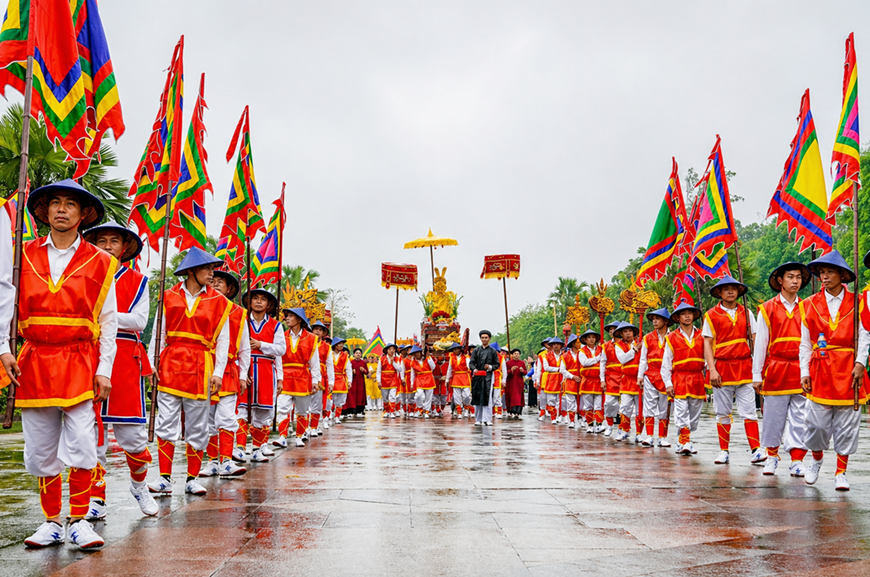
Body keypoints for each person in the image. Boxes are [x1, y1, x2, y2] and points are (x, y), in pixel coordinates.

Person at [0, 180, 116, 549]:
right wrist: (3, 348)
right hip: (34, 358)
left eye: (70, 204)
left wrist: (105, 369)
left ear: (84, 214)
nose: (62, 209)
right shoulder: (20, 255)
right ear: (45, 211)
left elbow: (109, 322)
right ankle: (51, 522)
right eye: (55, 203)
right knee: (40, 446)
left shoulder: (102, 262)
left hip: (80, 360)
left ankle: (79, 520)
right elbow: (4, 303)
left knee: (82, 441)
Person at [82, 221, 158, 521]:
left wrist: (105, 316)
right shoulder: (83, 273)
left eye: (114, 241)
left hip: (125, 357)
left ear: (124, 247)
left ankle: (139, 486)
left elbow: (139, 321)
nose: (107, 246)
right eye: (101, 240)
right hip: (89, 353)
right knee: (92, 434)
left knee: (133, 437)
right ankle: (96, 498)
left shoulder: (139, 281)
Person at [148, 247, 231, 498]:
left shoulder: (220, 302)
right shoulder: (168, 296)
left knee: (198, 424)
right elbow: (158, 333)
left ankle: (192, 479)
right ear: (191, 271)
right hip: (170, 363)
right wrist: (151, 364)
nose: (212, 273)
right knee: (166, 422)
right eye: (207, 268)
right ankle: (164, 478)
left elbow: (223, 340)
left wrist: (218, 372)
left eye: (212, 268)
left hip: (201, 365)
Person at [800, 251, 870, 490]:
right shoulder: (808, 304)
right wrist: (804, 371)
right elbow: (804, 343)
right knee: (816, 423)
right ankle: (816, 458)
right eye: (822, 272)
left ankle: (841, 471)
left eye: (830, 272)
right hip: (820, 367)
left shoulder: (858, 301)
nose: (825, 276)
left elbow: (864, 334)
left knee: (847, 423)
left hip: (849, 366)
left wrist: (860, 363)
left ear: (842, 275)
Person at [752, 262, 811, 477]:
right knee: (773, 416)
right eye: (790, 277)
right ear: (780, 280)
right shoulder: (767, 308)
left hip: (800, 368)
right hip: (776, 366)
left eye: (798, 277)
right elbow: (761, 344)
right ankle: (772, 456)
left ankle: (797, 460)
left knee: (801, 417)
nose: (795, 281)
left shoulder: (808, 306)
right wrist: (756, 374)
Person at [703, 275, 762, 466]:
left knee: (750, 411)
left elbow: (754, 339)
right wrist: (712, 369)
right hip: (722, 367)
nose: (730, 292)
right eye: (726, 289)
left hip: (745, 366)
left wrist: (758, 368)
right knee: (722, 412)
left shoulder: (747, 312)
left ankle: (756, 450)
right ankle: (724, 451)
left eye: (734, 288)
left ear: (738, 291)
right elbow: (707, 343)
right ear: (719, 292)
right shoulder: (711, 315)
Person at [198, 269, 251, 473]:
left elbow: (245, 348)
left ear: (230, 289)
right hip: (204, 366)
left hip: (228, 369)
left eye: (221, 282)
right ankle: (212, 461)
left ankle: (227, 460)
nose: (215, 284)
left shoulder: (239, 313)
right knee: (207, 418)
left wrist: (244, 375)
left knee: (227, 416)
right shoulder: (200, 305)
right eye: (213, 281)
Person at [240, 289, 286, 453]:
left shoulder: (276, 325)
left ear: (269, 304)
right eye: (255, 298)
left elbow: (281, 350)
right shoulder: (242, 321)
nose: (259, 301)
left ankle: (258, 449)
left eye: (263, 299)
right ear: (249, 302)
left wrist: (261, 345)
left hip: (266, 369)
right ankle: (239, 447)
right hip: (245, 368)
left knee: (263, 410)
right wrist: (242, 373)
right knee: (241, 408)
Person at [663, 303, 706, 456]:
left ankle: (682, 439)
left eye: (690, 313)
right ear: (677, 318)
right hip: (680, 377)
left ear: (694, 316)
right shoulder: (671, 337)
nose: (687, 316)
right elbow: (666, 363)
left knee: (694, 414)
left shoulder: (703, 335)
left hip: (697, 378)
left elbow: (708, 357)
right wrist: (668, 384)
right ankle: (686, 442)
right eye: (683, 313)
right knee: (681, 411)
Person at [276, 308, 321, 447]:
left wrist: (315, 381)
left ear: (299, 319)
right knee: (283, 407)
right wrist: (278, 378)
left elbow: (315, 362)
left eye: (290, 316)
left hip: (303, 377)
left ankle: (299, 436)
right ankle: (282, 436)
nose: (287, 318)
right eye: (286, 316)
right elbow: (277, 358)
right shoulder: (281, 336)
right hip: (285, 376)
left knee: (302, 409)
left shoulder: (311, 338)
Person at [637, 308, 672, 448]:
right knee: (649, 406)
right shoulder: (647, 337)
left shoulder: (673, 337)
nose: (654, 321)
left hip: (667, 375)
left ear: (666, 321)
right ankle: (649, 436)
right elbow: (643, 358)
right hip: (651, 374)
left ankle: (662, 437)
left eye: (658, 318)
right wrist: (640, 376)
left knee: (664, 408)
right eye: (653, 319)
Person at [613, 322, 641, 442]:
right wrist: (634, 350)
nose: (628, 333)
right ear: (621, 333)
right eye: (625, 331)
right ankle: (625, 430)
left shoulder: (641, 343)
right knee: (625, 407)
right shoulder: (618, 345)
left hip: (639, 379)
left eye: (630, 331)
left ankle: (639, 433)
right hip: (627, 380)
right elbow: (622, 359)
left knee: (640, 408)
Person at [469, 330, 499, 426]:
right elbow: (471, 363)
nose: (484, 339)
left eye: (486, 337)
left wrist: (490, 367)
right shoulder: (476, 351)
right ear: (480, 338)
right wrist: (474, 369)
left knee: (488, 397)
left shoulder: (493, 351)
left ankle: (487, 419)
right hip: (478, 376)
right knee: (477, 397)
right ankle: (478, 419)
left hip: (488, 376)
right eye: (482, 338)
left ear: (489, 338)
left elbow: (497, 364)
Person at [308, 321, 333, 435]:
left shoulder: (326, 347)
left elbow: (330, 365)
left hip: (320, 377)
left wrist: (331, 381)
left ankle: (314, 426)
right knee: (304, 403)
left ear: (323, 333)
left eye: (320, 330)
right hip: (306, 375)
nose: (317, 331)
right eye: (315, 329)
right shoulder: (306, 342)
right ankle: (304, 429)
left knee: (317, 403)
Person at [577, 330, 604, 433]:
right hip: (587, 381)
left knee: (598, 404)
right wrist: (597, 359)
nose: (591, 339)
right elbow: (584, 362)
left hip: (598, 380)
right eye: (589, 337)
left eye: (593, 337)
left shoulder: (601, 349)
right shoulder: (582, 351)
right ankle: (590, 425)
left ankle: (599, 424)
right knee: (588, 405)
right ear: (585, 340)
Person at [601, 321, 622, 436]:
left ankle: (622, 428)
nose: (612, 331)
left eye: (614, 329)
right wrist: (602, 379)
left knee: (625, 405)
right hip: (611, 377)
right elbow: (602, 363)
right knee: (609, 403)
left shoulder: (627, 344)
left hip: (624, 376)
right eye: (610, 329)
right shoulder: (606, 346)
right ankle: (609, 425)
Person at [559, 334, 582, 428]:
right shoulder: (565, 356)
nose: (579, 344)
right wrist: (572, 377)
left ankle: (582, 419)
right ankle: (572, 420)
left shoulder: (583, 354)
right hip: (570, 381)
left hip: (581, 380)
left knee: (582, 401)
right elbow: (562, 370)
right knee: (570, 402)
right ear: (573, 343)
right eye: (577, 342)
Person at [541, 337, 564, 424]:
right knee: (551, 399)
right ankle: (553, 417)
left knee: (561, 399)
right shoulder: (547, 356)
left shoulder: (565, 355)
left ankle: (560, 416)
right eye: (554, 344)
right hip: (551, 379)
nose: (556, 346)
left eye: (558, 344)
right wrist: (558, 369)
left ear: (561, 345)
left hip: (562, 378)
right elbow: (546, 367)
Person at [330, 338, 353, 423]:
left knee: (340, 400)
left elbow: (349, 369)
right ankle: (328, 416)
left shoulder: (345, 356)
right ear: (335, 345)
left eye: (342, 344)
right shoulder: (329, 354)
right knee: (330, 399)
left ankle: (337, 417)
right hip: (331, 378)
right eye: (340, 343)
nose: (341, 345)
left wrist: (349, 381)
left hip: (342, 379)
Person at [446, 343, 472, 418]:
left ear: (460, 349)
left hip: (465, 377)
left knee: (466, 395)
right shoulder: (452, 358)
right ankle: (459, 411)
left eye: (456, 349)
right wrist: (447, 379)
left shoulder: (466, 357)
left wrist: (467, 358)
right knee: (457, 396)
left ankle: (466, 409)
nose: (455, 351)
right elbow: (449, 369)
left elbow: (469, 366)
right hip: (456, 377)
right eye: (453, 349)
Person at [377, 343, 402, 418]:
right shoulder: (381, 359)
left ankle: (392, 412)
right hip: (384, 380)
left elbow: (399, 369)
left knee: (392, 396)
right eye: (390, 349)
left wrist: (393, 362)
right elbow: (378, 371)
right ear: (386, 350)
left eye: (393, 349)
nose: (392, 351)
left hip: (393, 379)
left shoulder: (396, 359)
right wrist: (379, 381)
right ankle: (387, 411)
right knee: (385, 397)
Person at [410, 346, 437, 417]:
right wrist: (412, 383)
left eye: (417, 352)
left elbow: (433, 367)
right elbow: (412, 374)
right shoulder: (412, 362)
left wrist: (429, 358)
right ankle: (420, 408)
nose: (416, 354)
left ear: (421, 352)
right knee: (419, 395)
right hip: (419, 379)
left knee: (429, 396)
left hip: (429, 378)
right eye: (414, 353)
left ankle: (426, 411)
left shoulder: (427, 358)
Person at [348, 348, 369, 419]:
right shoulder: (351, 362)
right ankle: (353, 410)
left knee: (360, 395)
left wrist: (364, 370)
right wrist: (352, 371)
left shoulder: (363, 362)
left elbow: (367, 372)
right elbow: (347, 371)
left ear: (361, 354)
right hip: (353, 380)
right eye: (356, 353)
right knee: (353, 395)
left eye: (359, 353)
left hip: (360, 381)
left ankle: (361, 410)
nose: (358, 354)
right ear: (354, 354)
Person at [505, 349, 526, 416]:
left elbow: (525, 372)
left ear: (519, 355)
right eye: (515, 353)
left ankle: (518, 412)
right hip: (511, 382)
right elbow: (505, 373)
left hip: (519, 383)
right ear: (512, 355)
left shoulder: (522, 363)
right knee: (511, 397)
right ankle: (510, 412)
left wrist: (522, 371)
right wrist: (511, 370)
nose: (516, 355)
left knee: (519, 398)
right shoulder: (508, 363)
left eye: (518, 353)